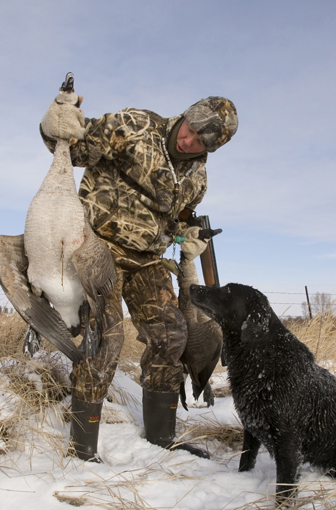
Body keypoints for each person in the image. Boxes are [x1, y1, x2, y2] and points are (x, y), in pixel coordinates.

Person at [40, 94, 238, 458]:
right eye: (190, 130)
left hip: (147, 259)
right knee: (108, 336)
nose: (188, 141)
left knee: (172, 333)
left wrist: (185, 235)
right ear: (186, 115)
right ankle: (82, 448)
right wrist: (54, 125)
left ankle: (161, 440)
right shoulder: (134, 126)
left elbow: (181, 215)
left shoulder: (198, 177)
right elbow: (73, 148)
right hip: (99, 245)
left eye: (199, 143)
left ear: (211, 149)